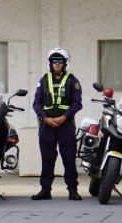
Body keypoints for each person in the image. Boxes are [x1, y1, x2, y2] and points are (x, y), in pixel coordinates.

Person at [31, 47, 83, 201]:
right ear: (50, 63)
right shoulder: (43, 80)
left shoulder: (73, 81)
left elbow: (77, 103)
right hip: (47, 125)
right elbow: (36, 104)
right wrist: (45, 118)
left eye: (60, 61)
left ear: (65, 63)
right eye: (54, 61)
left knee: (68, 158)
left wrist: (63, 117)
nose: (57, 63)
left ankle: (73, 190)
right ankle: (45, 190)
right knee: (47, 158)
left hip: (65, 125)